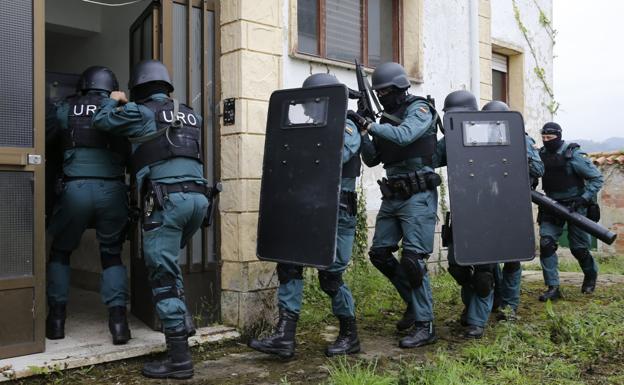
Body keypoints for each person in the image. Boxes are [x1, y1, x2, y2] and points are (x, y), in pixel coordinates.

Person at [93, 60, 211, 379]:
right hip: (198, 201)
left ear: (140, 89)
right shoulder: (191, 114)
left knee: (161, 275)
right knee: (169, 264)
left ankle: (179, 360)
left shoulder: (139, 111)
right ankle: (182, 321)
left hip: (166, 201)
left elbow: (102, 120)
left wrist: (114, 99)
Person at [248, 73, 362, 358]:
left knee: (330, 277)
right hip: (304, 207)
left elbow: (335, 154)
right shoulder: (307, 128)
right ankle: (284, 337)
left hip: (336, 213)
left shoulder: (348, 127)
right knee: (289, 266)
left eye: (313, 103)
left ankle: (351, 335)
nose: (309, 109)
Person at [349, 62, 440, 348]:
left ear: (401, 88)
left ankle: (425, 325)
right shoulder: (384, 119)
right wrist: (362, 133)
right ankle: (414, 304)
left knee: (413, 261)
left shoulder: (420, 109)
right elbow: (373, 158)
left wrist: (370, 124)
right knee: (379, 254)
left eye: (387, 91)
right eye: (379, 92)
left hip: (418, 196)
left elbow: (405, 136)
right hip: (393, 195)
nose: (383, 95)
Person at [45, 66, 130, 345]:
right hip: (113, 191)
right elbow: (132, 152)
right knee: (111, 255)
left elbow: (48, 143)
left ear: (83, 86)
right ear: (111, 88)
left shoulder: (65, 108)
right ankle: (119, 325)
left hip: (75, 189)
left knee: (60, 251)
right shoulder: (119, 109)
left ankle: (56, 321)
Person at [433, 90, 497, 339]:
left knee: (483, 272)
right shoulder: (448, 138)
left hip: (489, 210)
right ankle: (473, 306)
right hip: (462, 209)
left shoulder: (490, 132)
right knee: (457, 267)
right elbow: (432, 158)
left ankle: (477, 320)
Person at [481, 100, 544, 320]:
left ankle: (509, 307)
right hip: (488, 203)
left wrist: (517, 152)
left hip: (514, 204)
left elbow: (538, 168)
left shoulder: (522, 139)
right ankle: (495, 300)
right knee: (489, 256)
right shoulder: (479, 139)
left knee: (512, 257)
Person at [537, 122, 603, 301]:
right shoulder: (540, 155)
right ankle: (553, 287)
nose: (546, 141)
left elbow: (597, 178)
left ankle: (590, 275)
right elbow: (534, 173)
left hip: (576, 206)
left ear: (558, 136)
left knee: (579, 249)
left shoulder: (573, 154)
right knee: (546, 244)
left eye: (550, 138)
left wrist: (584, 198)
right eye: (543, 138)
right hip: (552, 205)